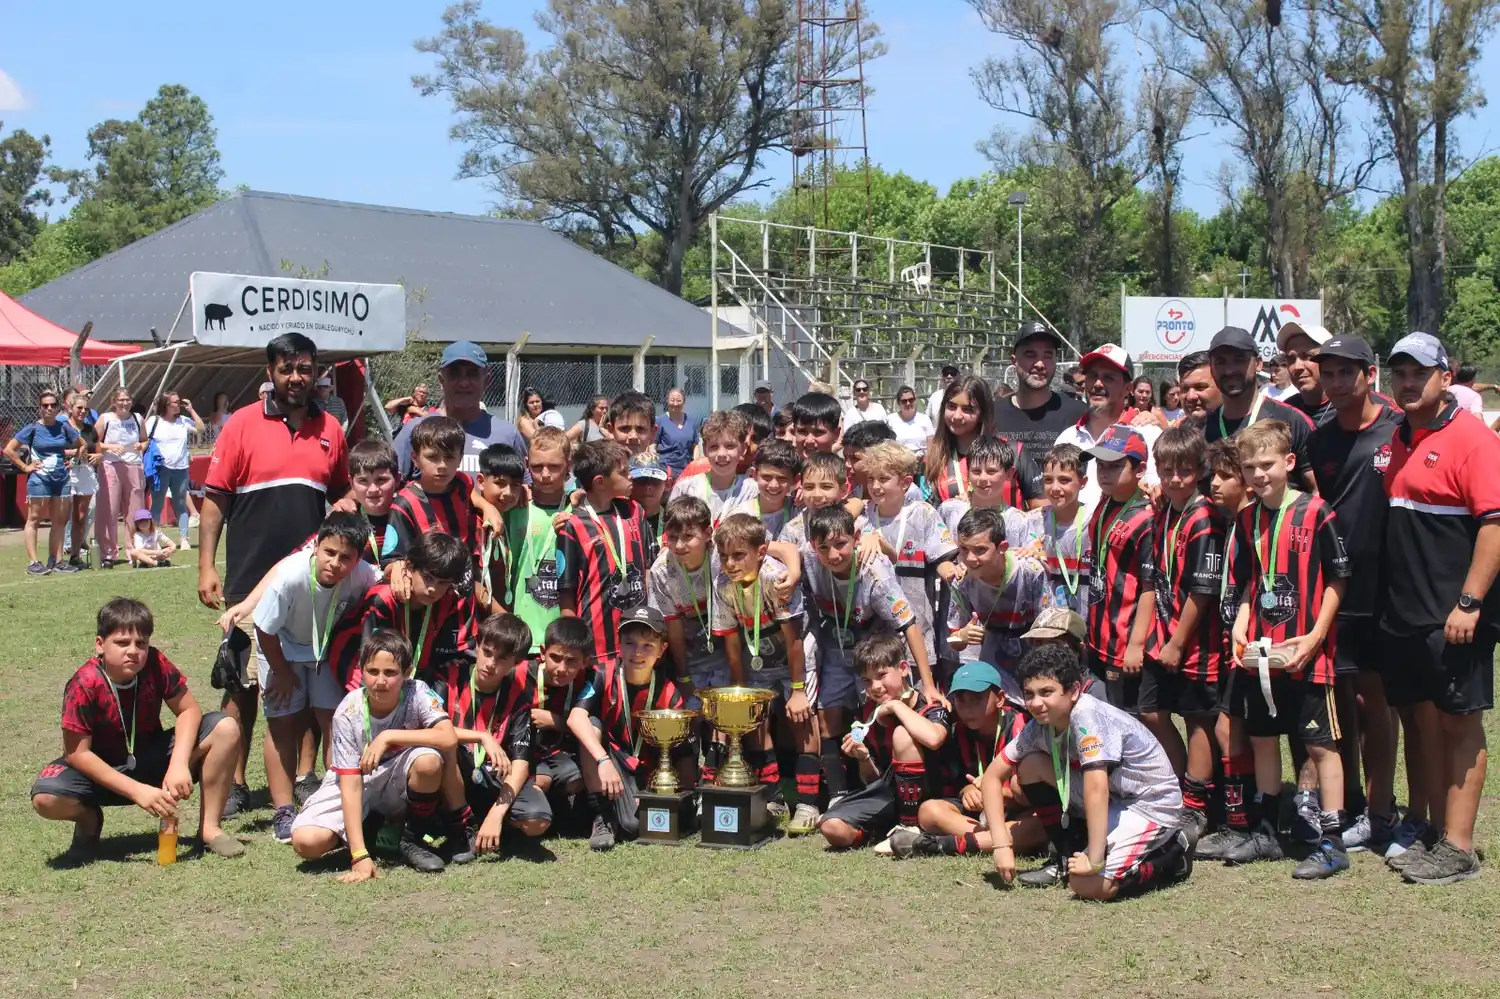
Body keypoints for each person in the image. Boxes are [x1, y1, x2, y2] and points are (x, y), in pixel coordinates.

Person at [200, 331, 351, 819]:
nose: (296, 377)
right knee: (241, 683)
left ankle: (305, 775)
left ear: (316, 372)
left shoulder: (331, 427)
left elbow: (343, 497)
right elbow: (215, 500)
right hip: (248, 578)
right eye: (286, 368)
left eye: (304, 368)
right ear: (270, 373)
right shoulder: (241, 425)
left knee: (306, 673)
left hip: (312, 581)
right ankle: (237, 781)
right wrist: (206, 565)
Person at [1378, 332, 1500, 885]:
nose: (1407, 382)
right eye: (1399, 372)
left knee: (1459, 724)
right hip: (1405, 613)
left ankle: (1460, 846)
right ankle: (1428, 828)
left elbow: (1494, 527)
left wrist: (1470, 602)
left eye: (1418, 373)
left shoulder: (1474, 439)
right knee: (1420, 720)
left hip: (1454, 614)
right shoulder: (1400, 436)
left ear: (1444, 377)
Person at [1222, 420, 1351, 879]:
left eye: (1268, 464)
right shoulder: (1246, 518)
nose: (1259, 474)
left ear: (1289, 463)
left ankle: (1332, 842)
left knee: (1320, 747)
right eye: (1250, 466)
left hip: (1308, 653)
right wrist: (1240, 626)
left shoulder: (1317, 512)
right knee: (1262, 739)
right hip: (1260, 654)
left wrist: (1316, 636)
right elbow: (1246, 584)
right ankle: (1269, 832)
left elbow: (1339, 579)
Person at [30, 598, 245, 863]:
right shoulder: (84, 683)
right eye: (122, 643)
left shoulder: (154, 663)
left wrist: (178, 764)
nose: (133, 651)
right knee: (46, 798)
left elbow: (189, 710)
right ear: (100, 644)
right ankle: (89, 821)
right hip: (99, 772)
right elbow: (77, 754)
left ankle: (210, 829)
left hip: (149, 759)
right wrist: (137, 791)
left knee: (225, 727)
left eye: (141, 643)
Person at [983, 644, 1190, 898]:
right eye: (1029, 694)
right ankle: (1064, 856)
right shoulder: (1040, 723)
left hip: (1149, 804)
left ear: (1073, 691)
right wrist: (1002, 844)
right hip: (1114, 799)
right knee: (1030, 766)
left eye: (1046, 692)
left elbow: (1096, 787)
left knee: (1087, 885)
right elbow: (992, 777)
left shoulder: (1087, 715)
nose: (1036, 703)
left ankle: (1172, 856)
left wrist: (1094, 858)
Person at [1307, 336, 1403, 856]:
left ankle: (1384, 809)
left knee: (1376, 701)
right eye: (1330, 373)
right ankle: (1349, 807)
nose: (1337, 382)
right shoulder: (1319, 440)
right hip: (1333, 588)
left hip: (1384, 588)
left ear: (1369, 375)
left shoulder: (1396, 431)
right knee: (1340, 701)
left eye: (1347, 372)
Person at [289, 629, 462, 878]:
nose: (380, 681)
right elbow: (349, 783)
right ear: (361, 670)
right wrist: (359, 856)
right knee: (306, 842)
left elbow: (448, 736)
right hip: (356, 779)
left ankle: (412, 839)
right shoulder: (348, 710)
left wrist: (389, 736)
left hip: (398, 775)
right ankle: (366, 832)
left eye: (390, 673)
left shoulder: (418, 692)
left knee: (429, 761)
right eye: (372, 672)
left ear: (407, 672)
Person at [1143, 428, 1226, 845]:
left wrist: (1177, 641)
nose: (1175, 479)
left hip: (1197, 642)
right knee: (1151, 711)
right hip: (1162, 634)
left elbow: (1203, 590)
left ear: (1199, 472)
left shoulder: (1203, 518)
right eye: (1167, 470)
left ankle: (1196, 806)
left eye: (1184, 471)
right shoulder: (1164, 511)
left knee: (1198, 720)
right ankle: (1180, 789)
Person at [712, 513, 813, 827]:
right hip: (758, 654)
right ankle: (774, 796)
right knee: (754, 717)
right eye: (724, 556)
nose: (730, 564)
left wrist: (797, 690)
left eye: (738, 555)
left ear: (760, 552)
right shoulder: (722, 583)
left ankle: (808, 804)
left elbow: (794, 639)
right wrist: (739, 689)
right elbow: (730, 639)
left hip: (798, 654)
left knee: (802, 719)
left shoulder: (775, 577)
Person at [569, 606, 698, 850]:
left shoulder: (669, 693)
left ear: (662, 650)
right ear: (619, 644)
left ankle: (621, 814)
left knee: (633, 827)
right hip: (611, 761)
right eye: (630, 643)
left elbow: (684, 751)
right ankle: (602, 817)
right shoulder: (602, 674)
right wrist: (603, 760)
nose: (637, 652)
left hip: (649, 770)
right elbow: (575, 718)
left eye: (648, 646)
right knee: (591, 725)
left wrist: (686, 799)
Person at [429, 613, 552, 855]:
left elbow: (520, 764)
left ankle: (487, 823)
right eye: (486, 652)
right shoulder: (448, 678)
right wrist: (482, 736)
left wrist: (497, 814)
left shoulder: (518, 698)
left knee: (537, 822)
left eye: (502, 658)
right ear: (477, 645)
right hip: (455, 770)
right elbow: (431, 730)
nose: (490, 663)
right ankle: (459, 826)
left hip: (491, 777)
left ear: (516, 663)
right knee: (445, 748)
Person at [887, 661, 1036, 859]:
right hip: (980, 819)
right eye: (960, 699)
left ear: (1000, 698)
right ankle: (991, 841)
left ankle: (947, 844)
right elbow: (954, 786)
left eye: (976, 698)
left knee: (1037, 823)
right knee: (929, 811)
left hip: (1017, 812)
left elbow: (1032, 797)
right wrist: (967, 791)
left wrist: (998, 792)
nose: (967, 708)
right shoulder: (957, 732)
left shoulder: (1023, 728)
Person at [818, 633, 952, 853]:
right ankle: (882, 830)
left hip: (935, 795)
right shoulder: (870, 713)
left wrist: (896, 707)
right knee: (832, 828)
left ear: (903, 668)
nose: (876, 686)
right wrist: (863, 757)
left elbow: (934, 739)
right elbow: (874, 781)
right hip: (892, 798)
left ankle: (910, 828)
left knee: (903, 734)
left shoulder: (930, 704)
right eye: (867, 681)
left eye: (882, 675)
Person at [862, 442, 960, 671]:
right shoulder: (862, 517)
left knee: (917, 684)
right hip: (874, 630)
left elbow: (941, 558)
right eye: (871, 479)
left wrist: (950, 570)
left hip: (918, 622)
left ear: (905, 483)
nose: (875, 486)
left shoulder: (922, 513)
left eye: (884, 479)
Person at [1081, 426, 1157, 712]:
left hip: (1125, 642)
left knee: (1129, 721)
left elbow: (1150, 586)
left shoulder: (1146, 517)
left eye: (1114, 466)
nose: (1104, 473)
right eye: (1100, 465)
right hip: (1099, 637)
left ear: (1140, 469)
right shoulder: (1105, 502)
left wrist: (1136, 644)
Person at [558, 440, 650, 664]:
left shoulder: (635, 511)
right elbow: (566, 593)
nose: (631, 476)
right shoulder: (573, 525)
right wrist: (573, 646)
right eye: (623, 472)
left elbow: (648, 568)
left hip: (640, 641)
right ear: (600, 482)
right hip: (596, 646)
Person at [946, 506, 1046, 700]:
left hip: (1035, 669)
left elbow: (1051, 631)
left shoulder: (1030, 572)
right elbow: (953, 641)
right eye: (963, 549)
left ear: (1002, 547)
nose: (970, 558)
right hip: (993, 673)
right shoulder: (962, 582)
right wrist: (962, 635)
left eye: (980, 550)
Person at [1201, 326, 1316, 491]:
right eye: (1220, 362)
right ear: (1211, 368)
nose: (1229, 370)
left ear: (1258, 364)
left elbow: (1317, 491)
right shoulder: (1201, 429)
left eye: (1239, 360)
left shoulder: (1290, 420)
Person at [1054, 345, 1159, 518]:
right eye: (1092, 376)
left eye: (1108, 378)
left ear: (1128, 388)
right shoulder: (1067, 438)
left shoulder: (1149, 435)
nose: (1097, 384)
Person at [393, 342, 526, 479]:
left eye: (472, 374)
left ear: (487, 380)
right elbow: (389, 485)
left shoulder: (508, 435)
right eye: (454, 374)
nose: (463, 383)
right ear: (441, 380)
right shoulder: (415, 430)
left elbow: (525, 490)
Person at [992, 324, 1087, 506]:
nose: (1040, 364)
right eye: (1030, 355)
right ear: (1014, 360)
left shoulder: (1077, 412)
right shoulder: (993, 415)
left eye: (1048, 356)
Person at [506, 427, 570, 655]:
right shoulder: (514, 509)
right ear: (526, 464)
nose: (544, 474)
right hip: (522, 636)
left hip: (563, 639)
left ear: (568, 466)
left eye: (554, 467)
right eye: (536, 466)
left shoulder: (578, 510)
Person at [5, 389, 82, 575]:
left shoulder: (64, 427)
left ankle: (56, 561)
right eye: (45, 405)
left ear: (58, 408)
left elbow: (82, 444)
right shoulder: (32, 428)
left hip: (61, 480)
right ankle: (33, 563)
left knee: (59, 521)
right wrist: (25, 467)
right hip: (39, 480)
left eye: (52, 405)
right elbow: (9, 450)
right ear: (39, 408)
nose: (49, 408)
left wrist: (74, 461)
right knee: (34, 519)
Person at [1027, 443, 1091, 615]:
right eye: (1048, 480)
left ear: (1083, 482)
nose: (1055, 488)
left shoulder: (1095, 520)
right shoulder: (1031, 522)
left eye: (1064, 480)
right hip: (1047, 622)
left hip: (1087, 621)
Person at [936, 435, 1032, 548]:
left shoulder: (1019, 521)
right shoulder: (950, 510)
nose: (982, 478)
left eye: (991, 471)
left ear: (1009, 474)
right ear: (967, 473)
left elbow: (1035, 560)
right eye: (976, 471)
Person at [669, 409, 759, 526]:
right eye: (714, 447)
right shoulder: (686, 489)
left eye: (730, 446)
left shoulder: (753, 491)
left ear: (743, 448)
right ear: (705, 449)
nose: (721, 454)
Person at [924, 374, 1001, 506]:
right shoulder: (936, 457)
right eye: (951, 407)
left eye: (967, 409)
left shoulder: (1011, 451)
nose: (957, 416)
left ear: (983, 413)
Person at [94, 387, 148, 568]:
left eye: (127, 399)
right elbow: (92, 441)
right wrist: (109, 446)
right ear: (114, 402)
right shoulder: (105, 419)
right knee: (108, 510)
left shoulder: (137, 418)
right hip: (111, 466)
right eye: (121, 400)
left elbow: (144, 439)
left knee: (134, 511)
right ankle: (108, 553)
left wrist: (142, 445)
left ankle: (134, 550)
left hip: (133, 466)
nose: (125, 403)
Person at [146, 391, 204, 553]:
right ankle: (154, 539)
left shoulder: (183, 421)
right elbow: (143, 438)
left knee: (180, 504)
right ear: (166, 405)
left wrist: (191, 409)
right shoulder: (154, 421)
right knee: (157, 504)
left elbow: (201, 428)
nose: (178, 405)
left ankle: (184, 539)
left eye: (179, 402)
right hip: (161, 469)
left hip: (181, 468)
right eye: (175, 402)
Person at [63, 389, 101, 570]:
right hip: (66, 473)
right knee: (62, 516)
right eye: (79, 408)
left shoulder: (89, 429)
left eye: (85, 409)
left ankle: (75, 555)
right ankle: (56, 557)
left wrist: (98, 457)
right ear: (70, 409)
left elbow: (98, 450)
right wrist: (71, 453)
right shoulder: (63, 428)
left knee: (81, 517)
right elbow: (54, 448)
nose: (82, 412)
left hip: (85, 472)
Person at [1275, 322, 1335, 425]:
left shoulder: (1350, 409)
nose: (1297, 366)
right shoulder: (1284, 412)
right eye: (1291, 359)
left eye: (1307, 356)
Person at [748, 438, 799, 540]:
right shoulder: (742, 516)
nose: (774, 485)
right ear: (754, 475)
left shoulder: (798, 512)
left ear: (795, 480)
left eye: (782, 478)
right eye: (766, 477)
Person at [654, 388, 700, 477]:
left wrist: (695, 466)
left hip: (686, 471)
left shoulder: (691, 421)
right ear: (667, 401)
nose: (675, 404)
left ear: (684, 402)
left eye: (679, 400)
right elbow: (653, 445)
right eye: (672, 400)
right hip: (666, 471)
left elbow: (695, 445)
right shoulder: (660, 421)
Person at [790, 391, 844, 460]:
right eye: (802, 431)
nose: (809, 440)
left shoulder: (842, 470)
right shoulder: (781, 470)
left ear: (836, 433)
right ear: (794, 430)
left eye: (818, 432)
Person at [884, 385, 934, 458]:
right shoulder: (890, 420)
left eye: (911, 400)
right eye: (904, 401)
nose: (908, 403)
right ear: (898, 403)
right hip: (899, 462)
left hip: (921, 463)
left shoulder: (925, 419)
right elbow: (886, 446)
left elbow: (931, 446)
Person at [1176, 351, 1222, 429]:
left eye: (1200, 387)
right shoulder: (1180, 431)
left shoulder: (1244, 433)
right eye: (1185, 389)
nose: (1191, 396)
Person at [603, 391, 656, 457]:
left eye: (640, 428)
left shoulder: (662, 467)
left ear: (653, 432)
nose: (633, 436)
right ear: (611, 430)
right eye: (624, 428)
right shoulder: (599, 466)